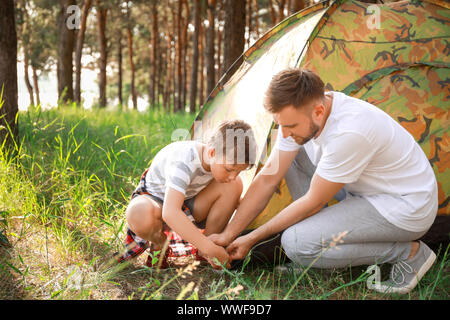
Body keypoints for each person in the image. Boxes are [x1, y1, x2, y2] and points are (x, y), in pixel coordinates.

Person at [210, 68, 438, 294]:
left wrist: (252, 237)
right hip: (361, 190)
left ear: (319, 111)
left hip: (405, 206)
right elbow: (269, 178)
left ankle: (410, 254)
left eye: (289, 126)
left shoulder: (350, 132)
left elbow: (313, 202)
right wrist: (230, 234)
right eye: (280, 125)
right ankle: (321, 255)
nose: (284, 134)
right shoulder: (302, 115)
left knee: (295, 243)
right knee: (291, 155)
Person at [117, 119, 257, 269]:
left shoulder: (219, 165)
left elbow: (230, 191)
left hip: (188, 202)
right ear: (212, 153)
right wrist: (208, 248)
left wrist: (238, 202)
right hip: (156, 201)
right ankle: (160, 243)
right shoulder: (184, 160)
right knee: (138, 213)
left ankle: (208, 244)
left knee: (234, 185)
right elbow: (170, 212)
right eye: (229, 169)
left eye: (239, 171)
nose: (232, 175)